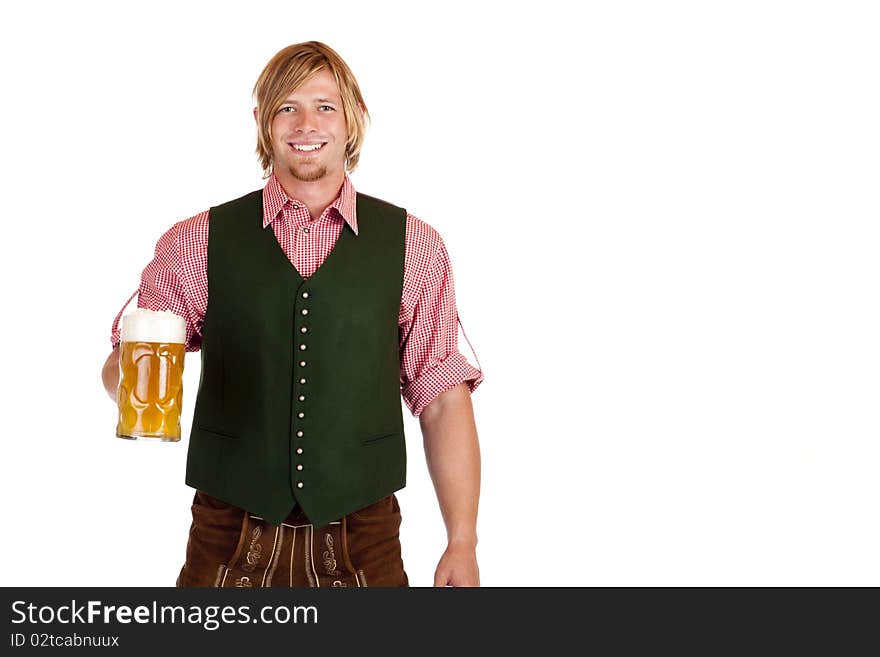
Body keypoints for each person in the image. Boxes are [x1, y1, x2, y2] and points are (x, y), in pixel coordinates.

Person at [101, 41, 483, 587]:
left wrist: (462, 541)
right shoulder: (194, 242)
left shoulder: (414, 245)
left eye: (325, 106)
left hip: (364, 538)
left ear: (353, 119)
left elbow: (444, 398)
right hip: (228, 535)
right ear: (262, 122)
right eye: (287, 107)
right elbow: (124, 363)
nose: (306, 123)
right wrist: (129, 380)